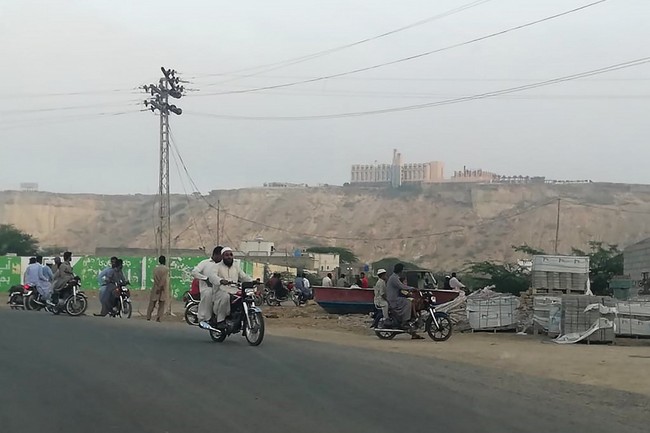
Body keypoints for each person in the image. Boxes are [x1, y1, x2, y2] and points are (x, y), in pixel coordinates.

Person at [206, 247, 253, 330]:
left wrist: (252, 281)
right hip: (220, 291)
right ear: (222, 256)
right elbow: (212, 277)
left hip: (234, 290)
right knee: (225, 296)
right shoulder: (217, 266)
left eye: (231, 255)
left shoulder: (236, 267)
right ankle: (220, 320)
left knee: (244, 297)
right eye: (226, 255)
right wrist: (220, 281)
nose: (229, 257)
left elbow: (243, 276)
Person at [386, 263, 423, 339]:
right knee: (408, 302)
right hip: (393, 299)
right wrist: (412, 288)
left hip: (395, 297)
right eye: (402, 270)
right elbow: (401, 286)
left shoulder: (395, 277)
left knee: (411, 301)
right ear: (400, 270)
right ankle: (405, 321)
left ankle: (413, 329)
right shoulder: (394, 278)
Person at [192, 246, 223, 330]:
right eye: (221, 255)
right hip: (207, 289)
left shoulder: (223, 265)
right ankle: (205, 319)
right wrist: (205, 279)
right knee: (208, 293)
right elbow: (194, 272)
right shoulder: (205, 263)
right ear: (216, 255)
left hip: (221, 290)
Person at [147, 255, 169, 322]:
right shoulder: (166, 269)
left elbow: (154, 278)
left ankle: (148, 316)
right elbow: (164, 279)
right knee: (161, 304)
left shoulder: (155, 269)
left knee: (152, 303)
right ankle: (159, 317)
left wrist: (157, 286)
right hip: (162, 289)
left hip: (155, 287)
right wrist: (160, 287)